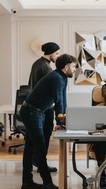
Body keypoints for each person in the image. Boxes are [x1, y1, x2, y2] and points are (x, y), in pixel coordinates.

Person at [20, 54, 77, 189]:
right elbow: (58, 101)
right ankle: (47, 183)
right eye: (74, 66)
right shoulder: (56, 78)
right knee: (39, 147)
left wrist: (63, 119)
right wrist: (60, 119)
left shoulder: (62, 78)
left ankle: (27, 181)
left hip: (35, 112)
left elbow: (62, 100)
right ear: (66, 67)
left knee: (30, 148)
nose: (75, 70)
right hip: (31, 112)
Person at [28, 42, 61, 173]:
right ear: (51, 53)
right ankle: (41, 163)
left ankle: (38, 161)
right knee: (45, 135)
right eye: (57, 53)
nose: (57, 56)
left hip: (36, 104)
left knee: (38, 137)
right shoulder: (46, 68)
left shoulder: (37, 63)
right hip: (45, 107)